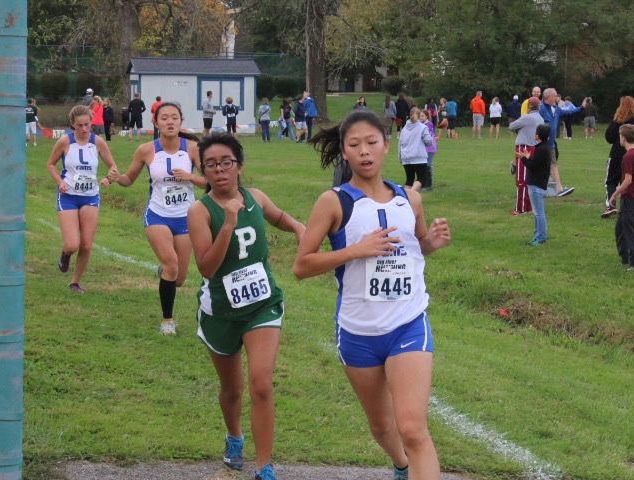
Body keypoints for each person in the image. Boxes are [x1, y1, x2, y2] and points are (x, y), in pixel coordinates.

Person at [293, 109, 450, 480]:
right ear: (344, 152)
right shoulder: (333, 202)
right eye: (354, 145)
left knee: (412, 427)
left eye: (371, 143)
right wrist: (354, 250)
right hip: (358, 332)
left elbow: (417, 247)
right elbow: (302, 266)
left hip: (407, 323)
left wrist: (433, 242)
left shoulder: (409, 200)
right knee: (382, 427)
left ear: (386, 145)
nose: (364, 152)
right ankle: (400, 466)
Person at [187, 133, 305, 480]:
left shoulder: (256, 197)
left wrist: (298, 228)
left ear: (239, 165)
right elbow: (207, 267)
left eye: (227, 162)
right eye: (211, 164)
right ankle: (234, 436)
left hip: (262, 305)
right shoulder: (199, 211)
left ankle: (264, 466)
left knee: (261, 384)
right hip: (221, 311)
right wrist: (227, 222)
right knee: (232, 389)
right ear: (203, 171)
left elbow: (279, 216)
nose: (220, 170)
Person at [112, 102, 206, 334]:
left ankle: (163, 270)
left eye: (174, 117)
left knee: (180, 278)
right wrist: (117, 176)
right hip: (158, 215)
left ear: (181, 121)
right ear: (155, 122)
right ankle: (167, 321)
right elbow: (128, 180)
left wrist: (190, 177)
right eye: (164, 118)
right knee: (171, 265)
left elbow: (211, 182)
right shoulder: (146, 150)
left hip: (186, 217)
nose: (170, 122)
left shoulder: (193, 148)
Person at [45, 105, 119, 294]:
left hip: (90, 196)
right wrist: (60, 181)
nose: (84, 129)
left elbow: (112, 167)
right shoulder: (64, 142)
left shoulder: (99, 142)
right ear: (73, 125)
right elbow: (51, 164)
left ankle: (75, 282)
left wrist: (108, 177)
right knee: (72, 244)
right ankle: (65, 254)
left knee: (86, 244)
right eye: (80, 126)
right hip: (68, 195)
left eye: (87, 125)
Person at [610, 124, 634, 271]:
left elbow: (628, 180)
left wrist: (614, 194)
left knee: (628, 228)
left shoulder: (628, 156)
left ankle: (633, 262)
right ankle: (624, 256)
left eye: (620, 136)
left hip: (630, 197)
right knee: (620, 228)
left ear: (623, 138)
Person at [602, 96, 634, 218]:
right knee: (627, 180)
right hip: (632, 154)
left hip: (616, 155)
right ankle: (626, 205)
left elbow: (608, 137)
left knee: (611, 181)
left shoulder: (617, 121)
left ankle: (610, 205)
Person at [539, 88, 583, 197]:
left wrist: (582, 108)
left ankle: (558, 188)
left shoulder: (557, 109)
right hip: (540, 143)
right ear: (548, 97)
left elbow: (569, 112)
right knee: (542, 164)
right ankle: (557, 188)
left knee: (552, 164)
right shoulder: (541, 108)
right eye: (554, 96)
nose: (557, 98)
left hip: (551, 144)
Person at [515, 124, 552, 246]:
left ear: (537, 136)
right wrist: (529, 157)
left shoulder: (542, 150)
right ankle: (537, 235)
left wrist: (524, 158)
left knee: (538, 212)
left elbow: (532, 166)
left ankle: (541, 237)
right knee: (537, 212)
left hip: (536, 184)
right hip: (537, 184)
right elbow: (536, 164)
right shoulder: (543, 148)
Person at [508, 97, 543, 216]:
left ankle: (521, 208)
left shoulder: (527, 117)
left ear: (528, 107)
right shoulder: (540, 118)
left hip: (524, 148)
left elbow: (512, 126)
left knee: (521, 179)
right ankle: (529, 206)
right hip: (534, 148)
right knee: (530, 178)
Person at [399, 107, 433, 191]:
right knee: (421, 178)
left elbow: (400, 144)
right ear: (418, 116)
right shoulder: (422, 127)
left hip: (406, 157)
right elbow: (428, 141)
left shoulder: (404, 129)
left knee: (409, 180)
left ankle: (405, 197)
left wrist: (400, 157)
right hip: (419, 157)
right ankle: (411, 193)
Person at [420, 110, 437, 189]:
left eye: (422, 116)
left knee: (428, 166)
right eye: (420, 116)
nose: (421, 117)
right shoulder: (422, 124)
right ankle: (423, 183)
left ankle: (428, 185)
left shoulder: (428, 125)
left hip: (430, 148)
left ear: (427, 116)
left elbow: (429, 136)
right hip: (424, 148)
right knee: (423, 166)